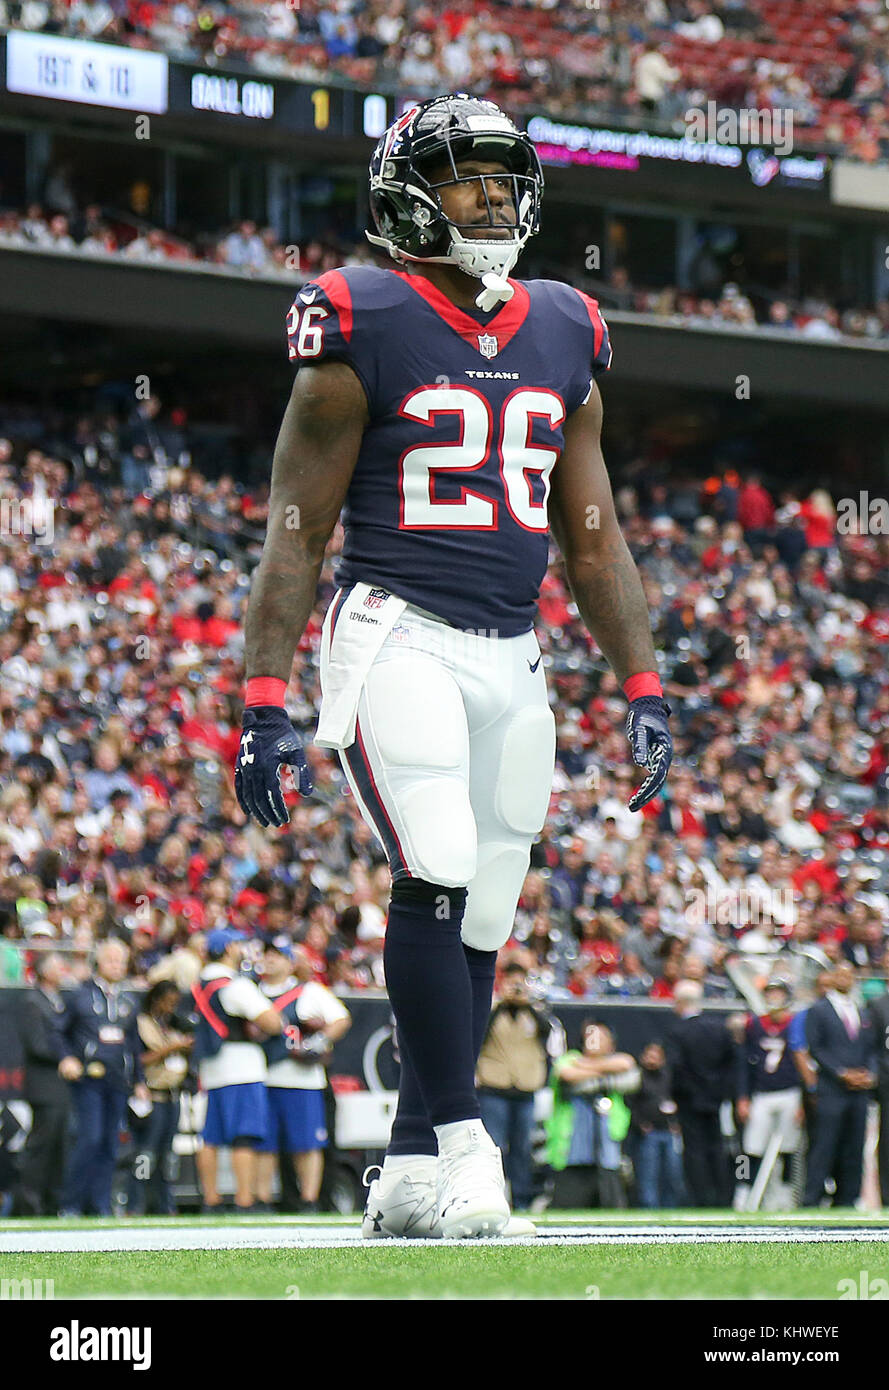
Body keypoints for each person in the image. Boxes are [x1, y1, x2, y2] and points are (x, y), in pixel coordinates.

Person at [233, 93, 673, 1240]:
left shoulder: (567, 323)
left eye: (501, 173)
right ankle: (474, 1156)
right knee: (430, 865)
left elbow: (592, 535)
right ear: (407, 193)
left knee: (484, 913)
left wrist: (642, 683)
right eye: (467, 174)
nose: (492, 194)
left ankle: (415, 1165)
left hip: (511, 649)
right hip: (396, 630)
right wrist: (263, 699)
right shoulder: (360, 312)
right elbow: (295, 526)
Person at [254, 937, 350, 1213]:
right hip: (263, 1076)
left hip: (301, 1080)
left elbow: (340, 1018)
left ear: (289, 962)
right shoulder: (252, 991)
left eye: (278, 955)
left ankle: (309, 1199)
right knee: (265, 1145)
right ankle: (262, 1199)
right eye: (268, 954)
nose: (271, 960)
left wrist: (318, 1042)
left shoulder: (308, 991)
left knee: (306, 1143)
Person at [191, 927, 283, 1211]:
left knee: (211, 1137)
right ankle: (245, 1199)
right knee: (244, 1135)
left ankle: (211, 1199)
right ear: (229, 949)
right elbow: (272, 1022)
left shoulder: (198, 985)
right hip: (242, 1066)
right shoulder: (235, 985)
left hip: (212, 1068)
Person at [59, 938, 149, 1216]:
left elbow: (134, 1043)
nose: (117, 966)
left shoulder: (128, 999)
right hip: (89, 1078)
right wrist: (67, 1057)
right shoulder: (80, 995)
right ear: (98, 962)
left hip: (118, 1080)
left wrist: (139, 1081)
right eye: (111, 960)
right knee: (90, 1138)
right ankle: (71, 1204)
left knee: (111, 1143)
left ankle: (100, 1205)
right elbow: (58, 1031)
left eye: (121, 961)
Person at [474, 961, 554, 1212]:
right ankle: (491, 1197)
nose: (516, 988)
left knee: (522, 1149)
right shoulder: (492, 1009)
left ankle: (522, 1200)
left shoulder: (533, 1012)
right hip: (494, 1088)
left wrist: (527, 1004)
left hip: (524, 1090)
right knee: (494, 1147)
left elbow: (547, 1032)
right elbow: (479, 1032)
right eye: (512, 982)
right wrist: (502, 1001)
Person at [802, 961, 876, 1207]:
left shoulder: (862, 1009)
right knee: (824, 1145)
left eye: (849, 974)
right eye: (840, 974)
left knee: (854, 1147)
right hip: (832, 1089)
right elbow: (816, 1048)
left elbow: (871, 1047)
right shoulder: (819, 1009)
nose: (845, 978)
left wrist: (869, 1073)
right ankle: (811, 1199)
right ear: (832, 977)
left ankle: (848, 1199)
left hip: (859, 1090)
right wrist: (841, 1072)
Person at [546, 1020, 640, 1208]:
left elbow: (626, 1064)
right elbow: (566, 1073)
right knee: (568, 1205)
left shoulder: (616, 1059)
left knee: (611, 1208)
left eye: (601, 1036)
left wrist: (588, 1068)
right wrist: (603, 1073)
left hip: (606, 1149)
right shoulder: (569, 1058)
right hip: (573, 1149)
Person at [11, 952, 72, 1215]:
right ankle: (29, 1202)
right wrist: (67, 1056)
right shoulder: (32, 1002)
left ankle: (51, 1201)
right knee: (41, 1146)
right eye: (58, 966)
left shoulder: (58, 1001)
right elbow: (37, 1045)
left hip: (59, 1087)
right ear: (44, 971)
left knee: (59, 1146)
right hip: (44, 1085)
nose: (63, 971)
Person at [667, 979, 737, 1207]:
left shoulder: (678, 1032)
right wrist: (719, 1091)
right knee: (718, 1148)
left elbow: (677, 1068)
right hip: (717, 1100)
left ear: (680, 1002)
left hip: (690, 1102)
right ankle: (723, 1196)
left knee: (695, 1151)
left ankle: (701, 1199)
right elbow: (732, 1063)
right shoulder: (719, 1029)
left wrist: (684, 1094)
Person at [127, 980, 193, 1215]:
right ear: (156, 999)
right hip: (152, 1097)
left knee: (167, 1155)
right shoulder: (142, 1023)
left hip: (172, 1097)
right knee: (146, 1153)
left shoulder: (171, 1024)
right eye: (168, 1002)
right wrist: (172, 1048)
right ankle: (135, 1202)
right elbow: (140, 1059)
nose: (171, 1007)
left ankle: (165, 1204)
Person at [734, 980, 802, 1210]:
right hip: (761, 1094)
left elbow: (802, 1061)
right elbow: (744, 1063)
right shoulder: (753, 1024)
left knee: (788, 1148)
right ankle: (742, 1188)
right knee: (749, 1148)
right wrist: (742, 1096)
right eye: (771, 993)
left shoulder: (795, 1024)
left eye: (778, 993)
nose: (774, 998)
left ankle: (783, 1194)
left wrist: (803, 1098)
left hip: (789, 1091)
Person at [628, 1041, 684, 1209]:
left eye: (656, 1055)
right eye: (649, 1055)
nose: (652, 1059)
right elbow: (630, 1104)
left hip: (669, 1132)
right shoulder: (637, 1078)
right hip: (649, 1133)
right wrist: (640, 1124)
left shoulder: (669, 1077)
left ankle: (671, 1209)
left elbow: (678, 1099)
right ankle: (648, 1208)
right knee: (648, 1175)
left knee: (673, 1174)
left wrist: (677, 1122)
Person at [868, 981, 889, 1205]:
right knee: (887, 1141)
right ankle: (887, 1196)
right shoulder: (878, 1005)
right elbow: (871, 1047)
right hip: (887, 1080)